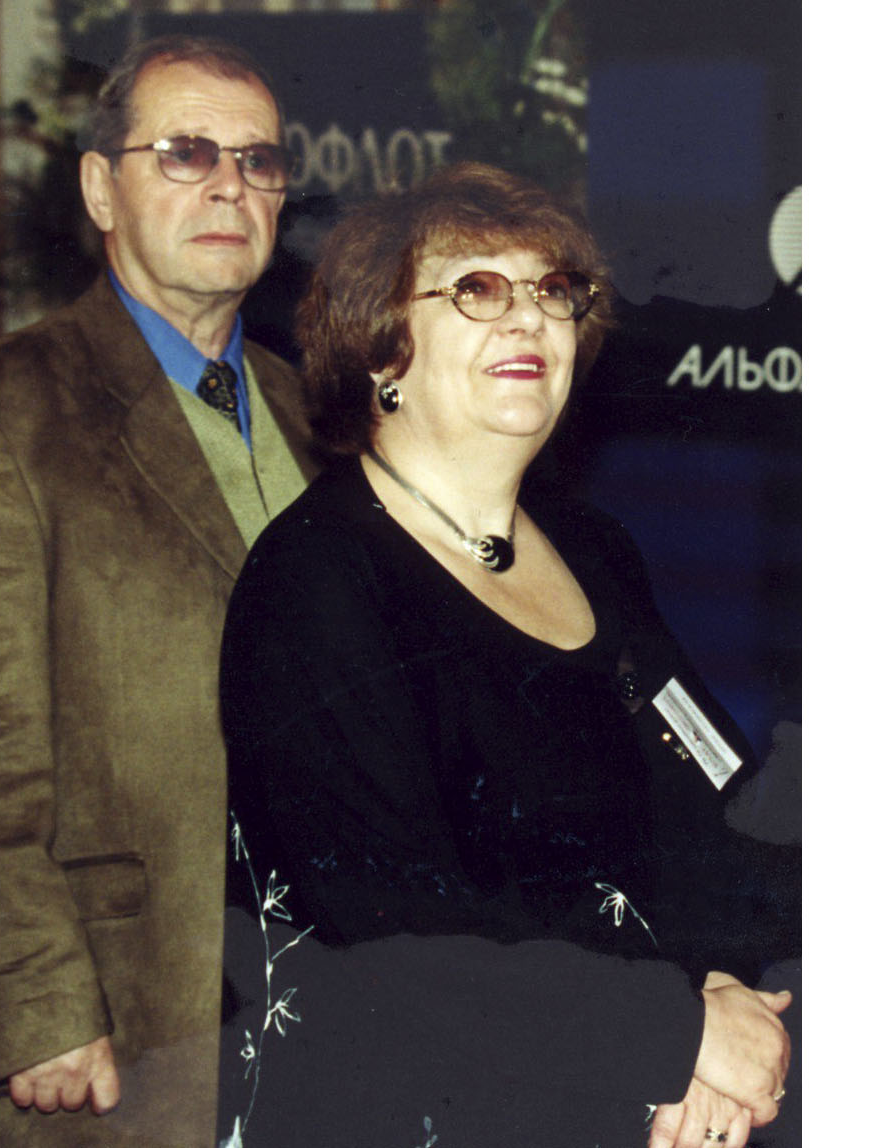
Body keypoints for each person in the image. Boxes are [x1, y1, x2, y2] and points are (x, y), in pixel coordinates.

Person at [216, 163, 800, 1148]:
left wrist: (721, 1001)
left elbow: (701, 813)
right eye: (478, 289)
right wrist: (679, 1035)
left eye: (552, 290)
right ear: (381, 349)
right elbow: (388, 937)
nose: (529, 317)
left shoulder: (592, 548)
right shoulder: (317, 584)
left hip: (633, 1097)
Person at [0, 35, 317, 1148]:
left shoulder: (318, 415)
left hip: (321, 1028)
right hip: (114, 1037)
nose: (229, 185)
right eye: (186, 153)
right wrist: (34, 1006)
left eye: (258, 160)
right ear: (100, 189)